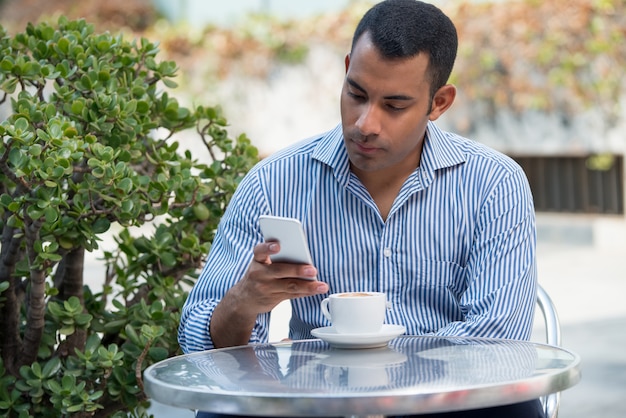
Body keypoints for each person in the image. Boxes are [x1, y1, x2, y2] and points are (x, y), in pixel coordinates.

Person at [180, 0, 543, 417]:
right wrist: (243, 302)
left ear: (439, 102)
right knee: (222, 410)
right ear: (348, 66)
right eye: (356, 94)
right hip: (319, 402)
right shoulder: (272, 184)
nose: (365, 124)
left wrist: (382, 387)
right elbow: (201, 351)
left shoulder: (494, 184)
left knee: (511, 404)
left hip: (451, 402)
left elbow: (497, 341)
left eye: (394, 105)